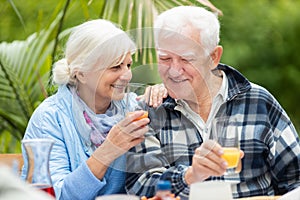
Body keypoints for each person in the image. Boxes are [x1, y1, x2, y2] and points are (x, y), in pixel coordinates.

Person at [126, 6, 300, 199]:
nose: (174, 71)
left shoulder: (258, 102)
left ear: (213, 57)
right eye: (165, 58)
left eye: (186, 59)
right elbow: (140, 185)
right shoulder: (148, 111)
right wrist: (190, 176)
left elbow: (295, 179)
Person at [21, 19, 166, 200]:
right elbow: (55, 196)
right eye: (115, 67)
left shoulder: (133, 107)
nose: (127, 75)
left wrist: (166, 92)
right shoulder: (49, 118)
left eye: (128, 65)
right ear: (81, 73)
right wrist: (108, 150)